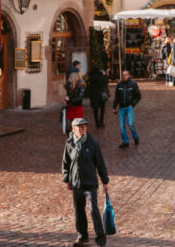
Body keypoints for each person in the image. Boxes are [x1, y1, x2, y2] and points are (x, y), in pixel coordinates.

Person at [62, 118, 110, 247]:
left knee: (94, 210)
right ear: (74, 129)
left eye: (84, 126)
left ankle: (100, 239)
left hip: (90, 184)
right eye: (80, 126)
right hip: (76, 184)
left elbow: (100, 163)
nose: (83, 128)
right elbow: (66, 163)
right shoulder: (69, 143)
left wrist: (105, 181)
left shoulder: (93, 143)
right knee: (79, 211)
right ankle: (82, 237)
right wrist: (67, 179)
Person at [112, 69, 141, 148]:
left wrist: (133, 104)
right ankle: (125, 141)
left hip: (129, 107)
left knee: (130, 123)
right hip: (121, 108)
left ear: (129, 75)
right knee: (121, 126)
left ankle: (135, 137)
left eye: (126, 75)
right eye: (123, 75)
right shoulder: (119, 85)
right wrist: (114, 107)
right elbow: (116, 97)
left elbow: (138, 96)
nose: (124, 76)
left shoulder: (133, 84)